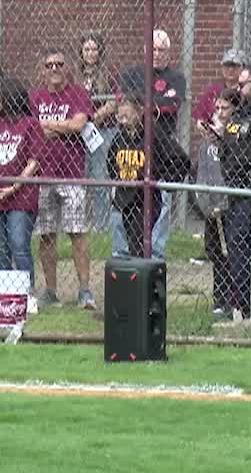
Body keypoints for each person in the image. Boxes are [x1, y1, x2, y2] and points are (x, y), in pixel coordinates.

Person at [29, 49, 95, 309]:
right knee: (46, 235)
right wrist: (62, 125)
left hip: (72, 175)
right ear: (43, 69)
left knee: (77, 234)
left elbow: (78, 125)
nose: (54, 68)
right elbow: (32, 128)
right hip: (41, 175)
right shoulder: (35, 97)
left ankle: (85, 291)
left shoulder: (78, 93)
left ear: (68, 68)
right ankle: (51, 291)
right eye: (49, 64)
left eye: (59, 64)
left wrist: (48, 126)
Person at [116, 29, 187, 258]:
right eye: (153, 50)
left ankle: (155, 251)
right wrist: (152, 104)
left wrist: (142, 104)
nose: (157, 54)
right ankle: (122, 251)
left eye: (162, 50)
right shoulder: (131, 73)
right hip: (131, 142)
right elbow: (123, 102)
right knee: (123, 196)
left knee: (162, 198)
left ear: (169, 53)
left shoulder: (176, 77)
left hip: (162, 144)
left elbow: (172, 105)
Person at [109, 96, 191, 258]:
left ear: (139, 113)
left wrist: (162, 178)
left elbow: (180, 159)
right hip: (126, 198)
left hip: (146, 200)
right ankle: (134, 273)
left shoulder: (152, 134)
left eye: (127, 116)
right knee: (131, 242)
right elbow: (111, 160)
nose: (123, 122)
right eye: (120, 117)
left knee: (139, 243)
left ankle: (140, 277)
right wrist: (119, 179)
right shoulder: (121, 136)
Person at [0, 78, 41, 276]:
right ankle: (5, 296)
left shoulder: (30, 124)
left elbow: (34, 162)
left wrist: (13, 187)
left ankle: (26, 294)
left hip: (20, 197)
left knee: (18, 244)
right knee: (1, 249)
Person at [199, 89, 239, 315]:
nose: (220, 113)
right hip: (210, 209)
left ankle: (234, 297)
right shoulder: (207, 144)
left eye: (225, 109)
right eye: (217, 109)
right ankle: (219, 297)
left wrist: (223, 204)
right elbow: (202, 175)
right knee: (214, 251)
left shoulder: (235, 140)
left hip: (228, 206)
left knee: (231, 251)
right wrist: (207, 206)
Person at [216, 77, 251, 319]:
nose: (240, 89)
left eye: (245, 83)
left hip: (249, 191)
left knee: (243, 249)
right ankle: (240, 303)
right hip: (235, 193)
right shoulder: (236, 122)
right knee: (235, 249)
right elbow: (228, 156)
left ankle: (247, 303)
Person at [79, 32, 117, 230]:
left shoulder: (109, 74)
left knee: (101, 180)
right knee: (81, 178)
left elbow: (113, 104)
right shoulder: (76, 75)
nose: (91, 53)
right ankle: (81, 224)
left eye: (94, 49)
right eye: (87, 49)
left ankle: (101, 226)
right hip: (80, 134)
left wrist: (91, 118)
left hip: (103, 133)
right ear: (81, 52)